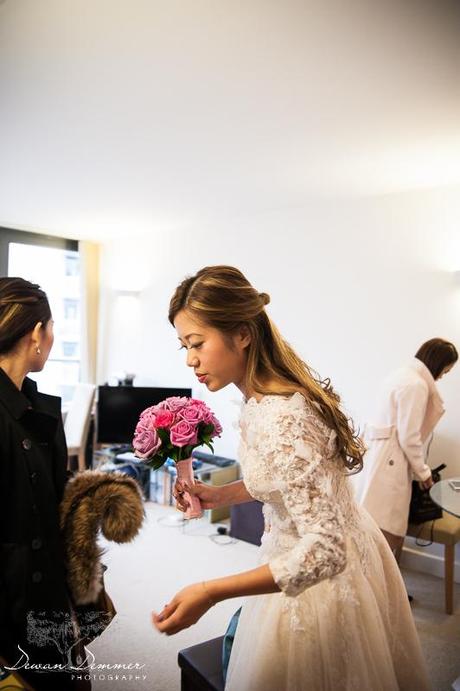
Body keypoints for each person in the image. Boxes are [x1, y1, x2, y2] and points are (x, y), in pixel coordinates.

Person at [152, 265, 431, 691]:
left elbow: (325, 550)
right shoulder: (262, 398)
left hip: (320, 580)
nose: (191, 359)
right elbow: (286, 482)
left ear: (242, 333)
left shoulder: (284, 417)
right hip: (343, 547)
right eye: (183, 347)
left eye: (197, 343)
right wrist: (217, 494)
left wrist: (210, 591)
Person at [0, 277, 89, 690]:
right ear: (37, 333)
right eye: (52, 327)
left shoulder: (36, 407)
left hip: (45, 591)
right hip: (14, 604)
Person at [361, 338, 457, 561]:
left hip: (380, 457)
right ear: (438, 363)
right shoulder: (416, 385)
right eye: (446, 370)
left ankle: (379, 589)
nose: (443, 375)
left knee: (373, 530)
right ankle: (380, 592)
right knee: (385, 534)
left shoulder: (401, 375)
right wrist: (423, 472)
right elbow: (409, 436)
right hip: (391, 462)